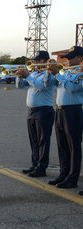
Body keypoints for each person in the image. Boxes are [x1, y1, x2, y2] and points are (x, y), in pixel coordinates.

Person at [15, 51, 57, 178]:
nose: (35, 63)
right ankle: (34, 164)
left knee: (43, 141)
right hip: (32, 111)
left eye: (37, 61)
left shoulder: (49, 74)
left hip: (44, 110)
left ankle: (41, 167)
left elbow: (41, 87)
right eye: (34, 61)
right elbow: (20, 86)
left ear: (45, 61)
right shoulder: (34, 74)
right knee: (33, 140)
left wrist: (27, 76)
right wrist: (19, 75)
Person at [46, 46, 83, 189]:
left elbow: (72, 88)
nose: (68, 60)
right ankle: (64, 173)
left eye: (72, 58)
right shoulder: (65, 71)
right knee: (62, 145)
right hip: (60, 110)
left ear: (80, 58)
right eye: (67, 58)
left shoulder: (80, 73)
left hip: (73, 111)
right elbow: (50, 84)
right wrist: (50, 71)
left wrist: (58, 75)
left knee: (73, 145)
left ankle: (73, 178)